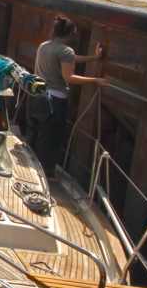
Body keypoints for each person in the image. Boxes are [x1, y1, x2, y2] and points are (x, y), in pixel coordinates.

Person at [26, 15, 108, 177]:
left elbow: (70, 59)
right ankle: (45, 174)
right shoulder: (65, 51)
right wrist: (95, 80)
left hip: (37, 96)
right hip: (54, 101)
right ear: (70, 33)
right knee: (50, 139)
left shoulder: (44, 46)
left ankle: (29, 169)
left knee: (36, 134)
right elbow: (68, 77)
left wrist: (94, 58)